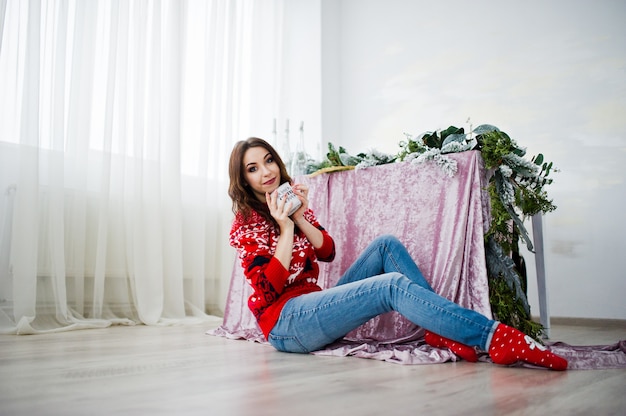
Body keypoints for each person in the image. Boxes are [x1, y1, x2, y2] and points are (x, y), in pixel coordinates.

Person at [227, 137, 568, 370]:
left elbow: (327, 252)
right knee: (389, 286)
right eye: (253, 168)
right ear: (244, 180)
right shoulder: (246, 224)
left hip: (314, 303)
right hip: (287, 326)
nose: (267, 171)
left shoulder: (289, 203)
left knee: (386, 245)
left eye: (268, 160)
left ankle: (441, 329)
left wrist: (299, 216)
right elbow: (268, 287)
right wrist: (285, 229)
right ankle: (493, 337)